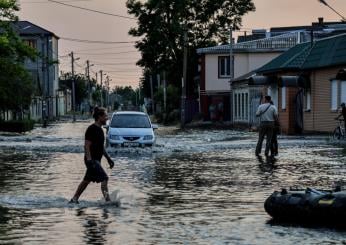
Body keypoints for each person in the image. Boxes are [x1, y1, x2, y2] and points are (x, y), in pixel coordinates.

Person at [70, 107, 115, 204]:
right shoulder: (91, 129)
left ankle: (74, 199)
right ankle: (108, 201)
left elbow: (101, 147)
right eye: (105, 116)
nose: (107, 118)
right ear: (99, 117)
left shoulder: (101, 130)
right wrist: (90, 160)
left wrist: (108, 159)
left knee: (87, 180)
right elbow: (86, 145)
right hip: (92, 160)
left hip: (96, 160)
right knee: (104, 178)